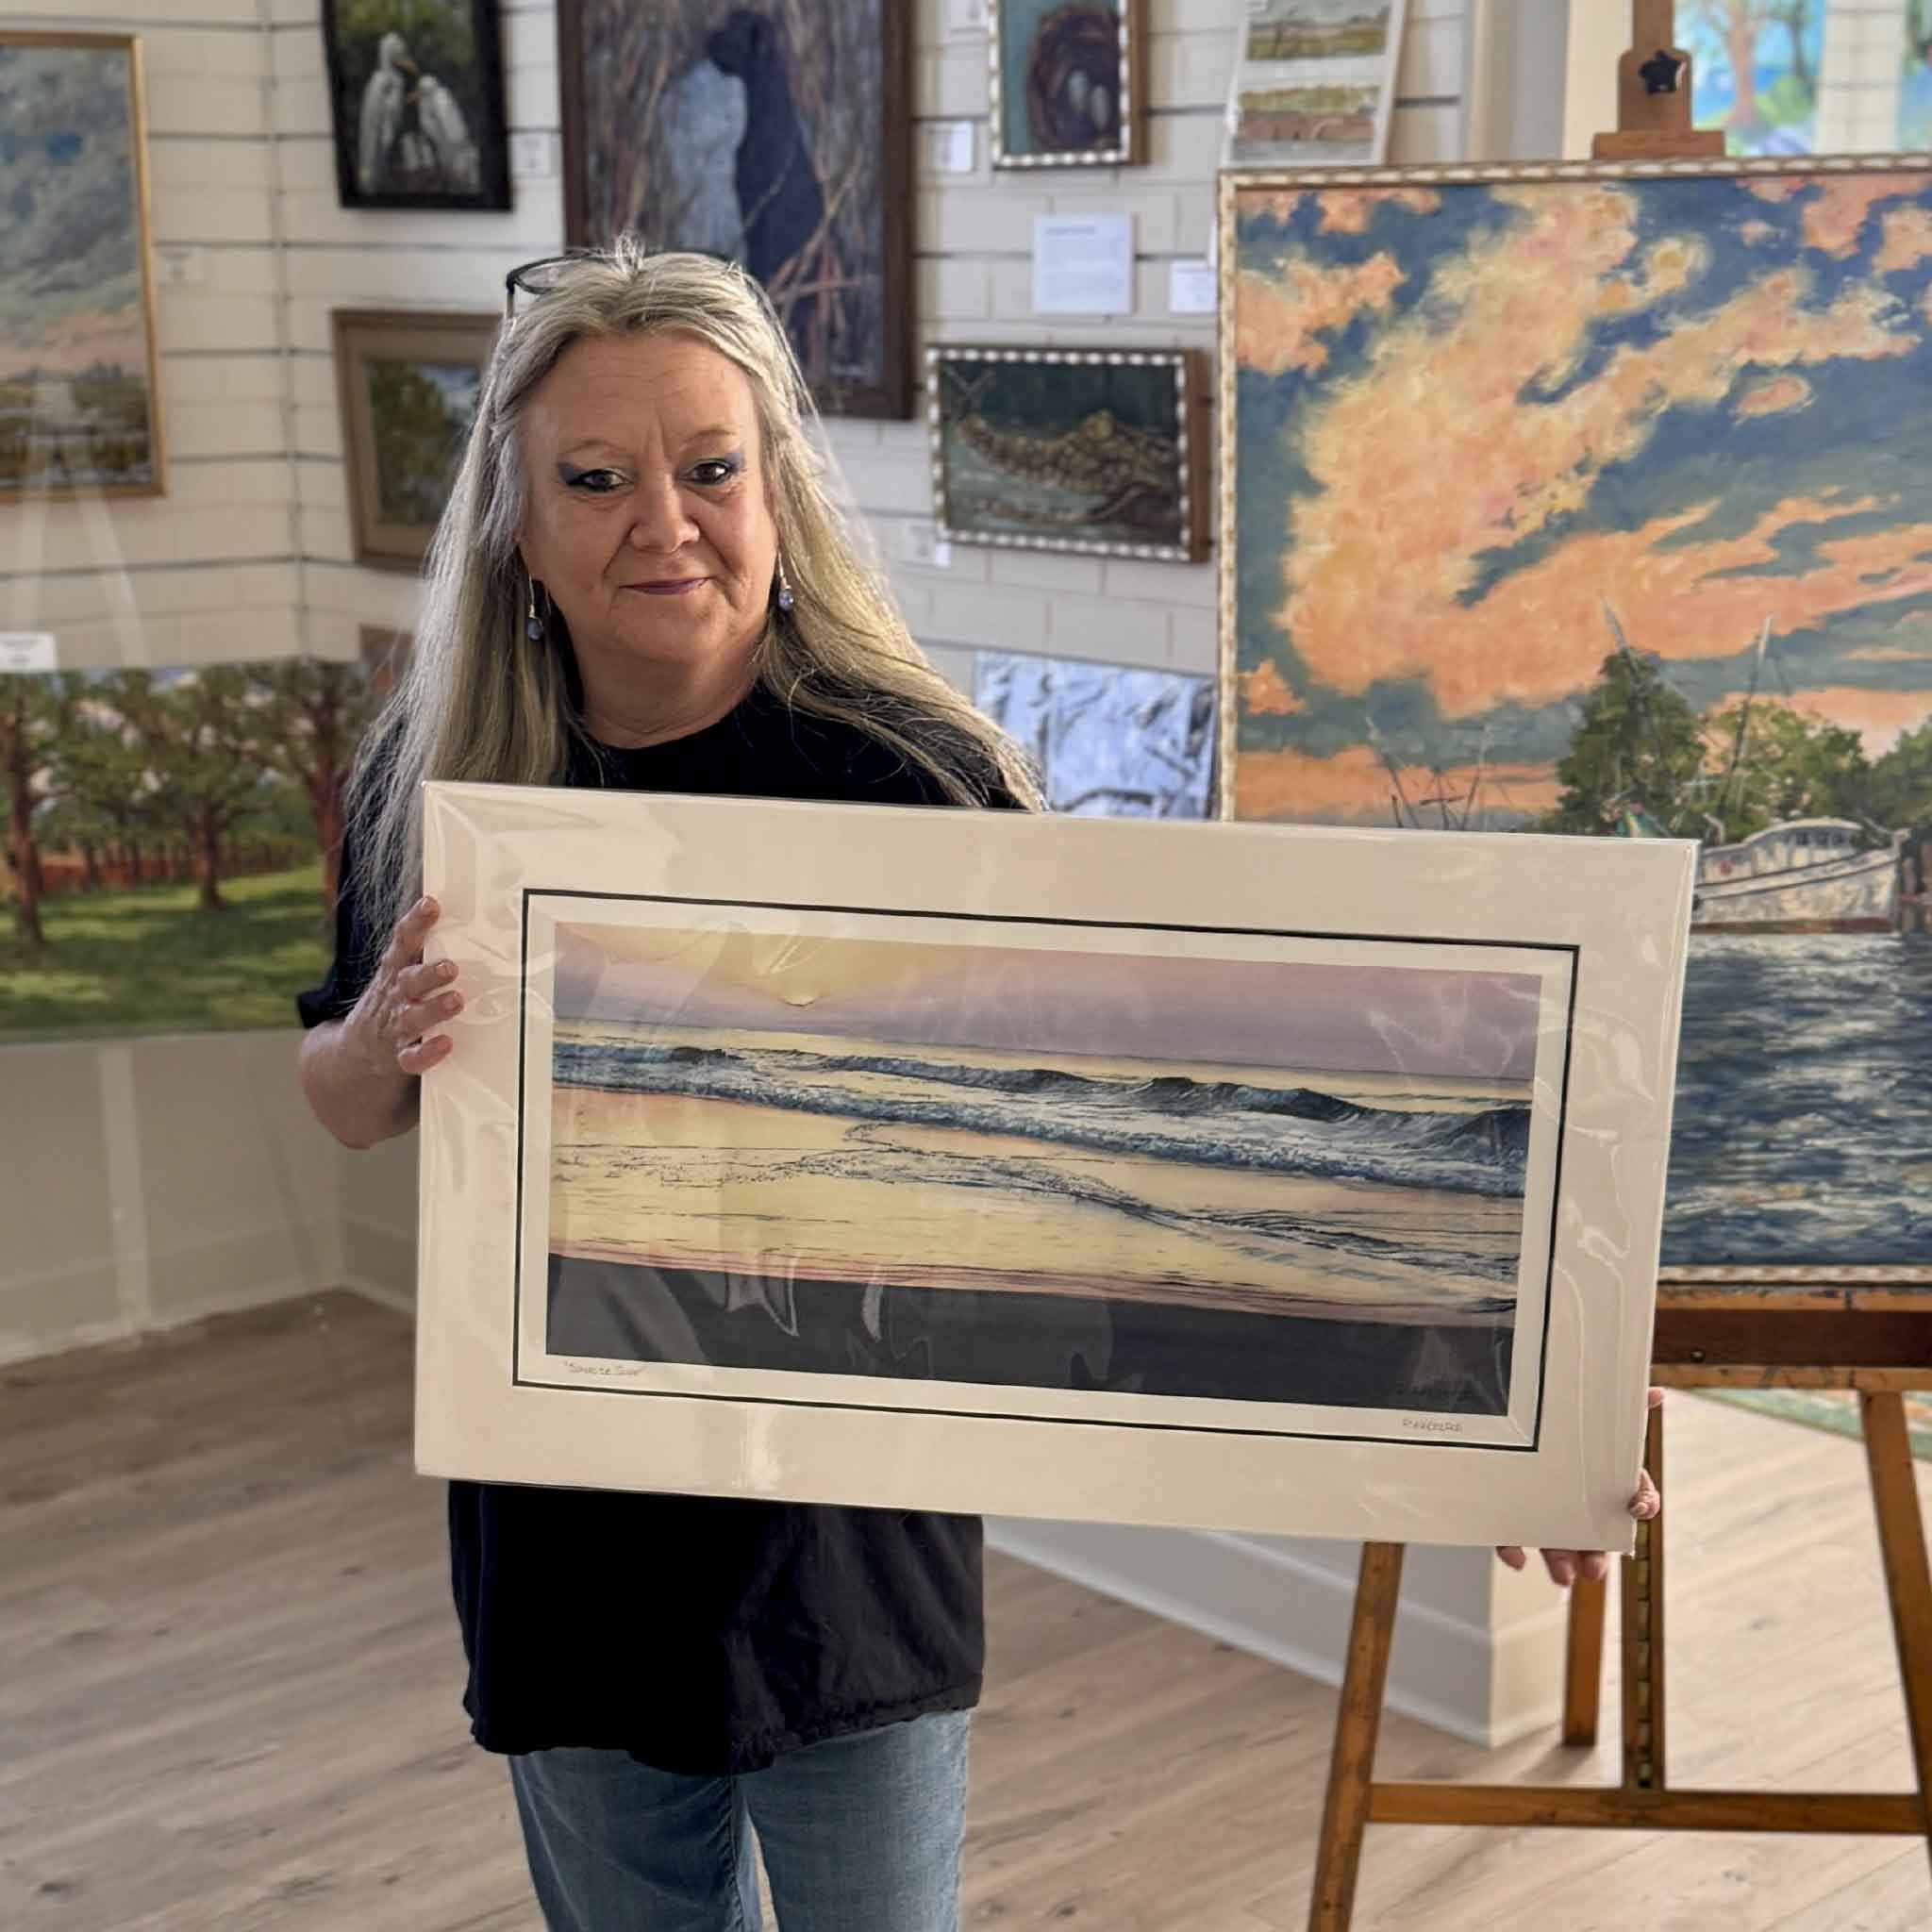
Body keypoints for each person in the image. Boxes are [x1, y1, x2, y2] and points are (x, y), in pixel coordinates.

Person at [295, 242, 1660, 1931]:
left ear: (777, 492)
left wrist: (1522, 1404)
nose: (665, 523)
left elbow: (1139, 1143)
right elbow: (343, 1098)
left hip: (848, 1560)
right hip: (568, 1540)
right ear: (515, 516)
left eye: (711, 468)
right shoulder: (441, 777)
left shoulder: (917, 781)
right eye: (597, 479)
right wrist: (378, 1041)